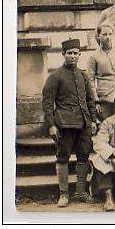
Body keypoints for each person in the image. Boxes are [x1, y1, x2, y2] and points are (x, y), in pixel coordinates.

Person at [42, 38, 97, 207]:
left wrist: (93, 120)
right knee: (63, 157)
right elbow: (47, 102)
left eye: (75, 53)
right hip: (64, 124)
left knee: (84, 156)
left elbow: (90, 100)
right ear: (63, 54)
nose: (72, 56)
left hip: (84, 124)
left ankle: (80, 192)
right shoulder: (55, 76)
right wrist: (51, 125)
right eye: (69, 53)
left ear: (79, 55)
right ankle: (64, 194)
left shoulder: (83, 75)